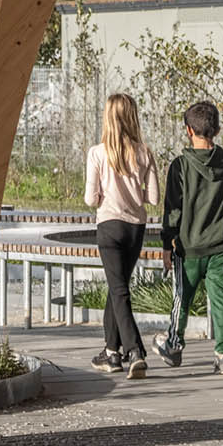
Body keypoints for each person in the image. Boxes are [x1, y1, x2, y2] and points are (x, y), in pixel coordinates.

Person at [153, 99, 223, 376]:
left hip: (188, 245)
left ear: (188, 130)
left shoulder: (180, 166)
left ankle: (174, 345)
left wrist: (166, 243)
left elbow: (172, 208)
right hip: (220, 244)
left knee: (183, 296)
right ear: (216, 130)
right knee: (222, 298)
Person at [84, 92, 159, 379]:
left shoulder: (97, 153)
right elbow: (152, 197)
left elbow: (91, 199)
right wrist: (132, 189)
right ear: (132, 117)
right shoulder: (144, 152)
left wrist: (107, 190)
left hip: (109, 226)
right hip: (135, 227)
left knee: (118, 289)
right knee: (118, 288)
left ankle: (134, 350)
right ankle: (111, 352)